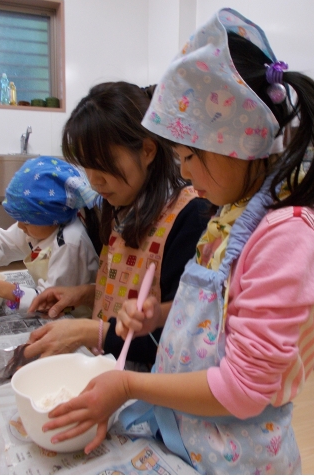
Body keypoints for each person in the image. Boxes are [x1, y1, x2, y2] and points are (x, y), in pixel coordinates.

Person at [39, 8, 314, 475]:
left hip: (233, 454)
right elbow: (221, 315)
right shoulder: (233, 214)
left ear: (239, 142)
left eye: (191, 157)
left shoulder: (286, 237)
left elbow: (244, 387)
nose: (185, 173)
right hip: (188, 433)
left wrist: (126, 387)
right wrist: (158, 316)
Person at [24, 82, 213, 367]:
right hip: (108, 365)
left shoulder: (189, 216)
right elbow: (132, 291)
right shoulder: (120, 204)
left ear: (148, 151)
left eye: (104, 164)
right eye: (86, 166)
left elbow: (177, 332)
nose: (94, 180)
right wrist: (86, 293)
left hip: (148, 385)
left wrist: (92, 332)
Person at [0, 156, 99, 313]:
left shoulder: (69, 242)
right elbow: (1, 241)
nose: (20, 226)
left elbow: (51, 301)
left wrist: (4, 289)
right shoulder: (38, 228)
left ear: (51, 218)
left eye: (26, 222)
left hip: (75, 318)